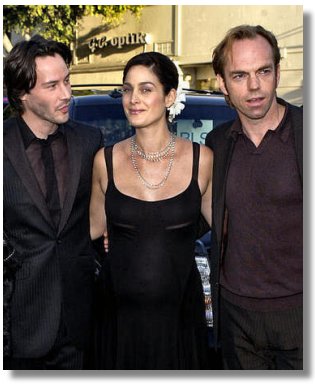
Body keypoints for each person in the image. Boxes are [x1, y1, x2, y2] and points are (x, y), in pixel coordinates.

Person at [89, 51, 213, 369]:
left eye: (146, 89)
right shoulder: (105, 161)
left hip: (180, 321)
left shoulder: (203, 160)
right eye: (128, 89)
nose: (133, 99)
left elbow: (228, 235)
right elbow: (86, 232)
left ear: (169, 96)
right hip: (116, 318)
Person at [205, 25, 303, 370]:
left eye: (263, 71)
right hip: (237, 320)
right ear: (222, 83)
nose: (254, 86)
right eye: (239, 75)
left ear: (278, 71)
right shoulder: (216, 144)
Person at [3, 35, 103, 369]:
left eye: (67, 81)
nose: (66, 94)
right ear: (22, 94)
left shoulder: (89, 141)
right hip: (19, 325)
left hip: (80, 322)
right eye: (52, 86)